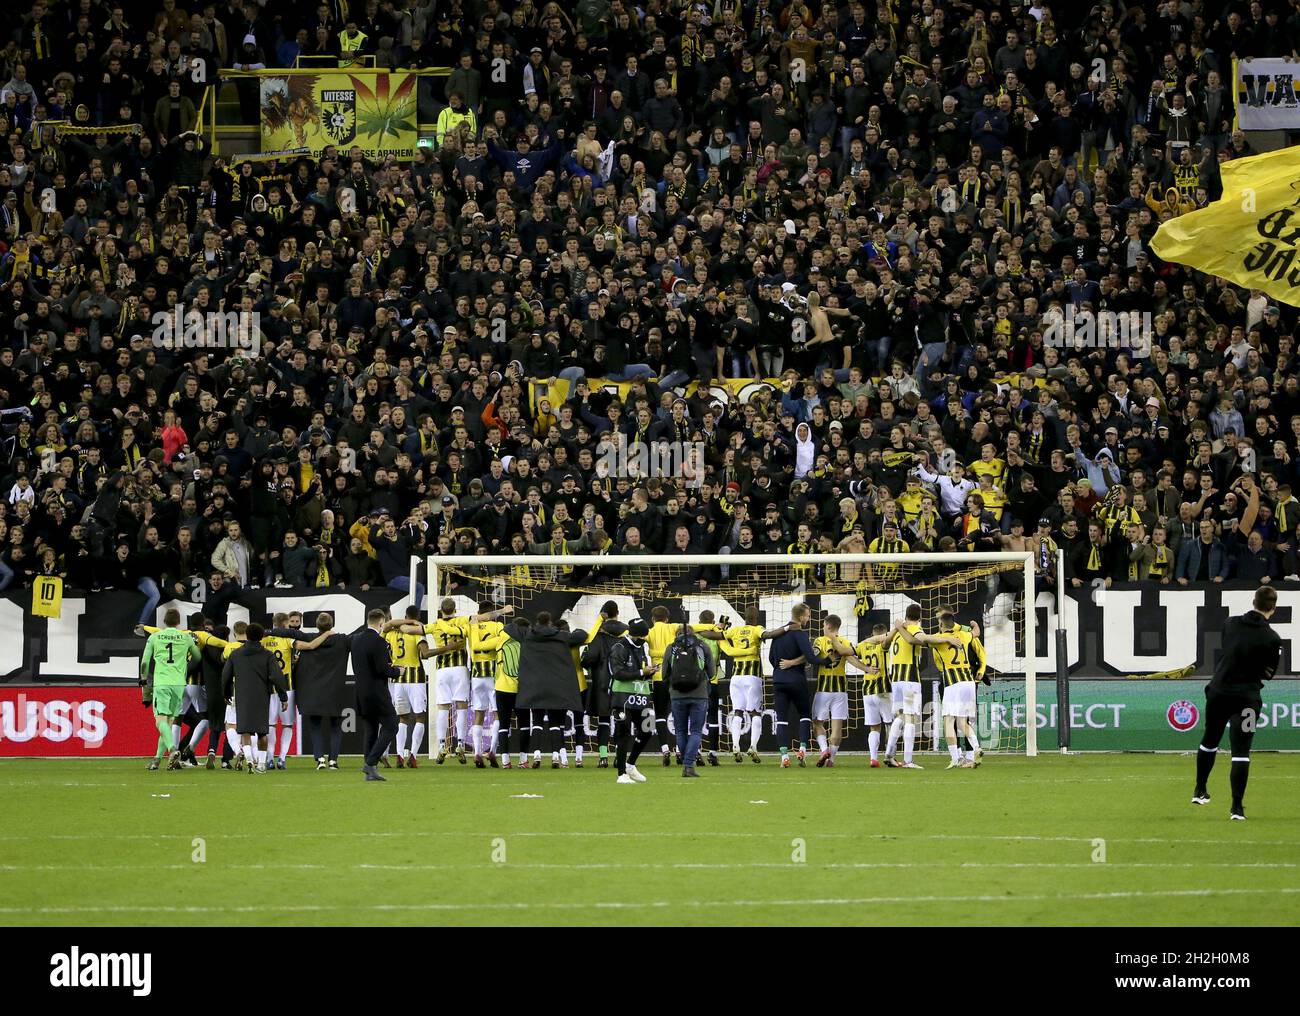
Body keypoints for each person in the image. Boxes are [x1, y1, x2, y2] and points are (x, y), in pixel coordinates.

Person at [1194, 585, 1282, 820]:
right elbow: (1268, 673)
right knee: (1241, 752)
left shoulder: (1230, 623)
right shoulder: (1272, 638)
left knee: (1210, 740)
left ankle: (1200, 790)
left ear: (1254, 601)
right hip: (1247, 699)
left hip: (1219, 692)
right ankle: (1236, 807)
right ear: (1273, 608)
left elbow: (1228, 649)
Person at [884, 604, 963, 769]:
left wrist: (897, 628)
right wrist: (947, 638)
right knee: (911, 718)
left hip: (896, 680)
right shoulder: (913, 629)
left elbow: (884, 645)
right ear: (920, 618)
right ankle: (908, 760)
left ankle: (888, 754)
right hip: (909, 679)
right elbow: (923, 639)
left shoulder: (899, 631)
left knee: (900, 717)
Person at [509, 611, 589, 768]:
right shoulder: (561, 636)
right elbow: (582, 635)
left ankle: (537, 755)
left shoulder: (527, 635)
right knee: (555, 722)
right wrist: (562, 632)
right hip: (556, 686)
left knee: (537, 721)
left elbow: (509, 628)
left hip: (534, 686)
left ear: (537, 622)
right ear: (550, 622)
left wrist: (529, 628)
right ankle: (555, 757)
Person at [766, 603, 829, 768]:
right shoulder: (800, 634)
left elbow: (771, 658)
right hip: (796, 680)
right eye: (808, 615)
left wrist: (781, 667)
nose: (808, 618)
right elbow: (811, 658)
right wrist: (827, 661)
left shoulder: (779, 633)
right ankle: (802, 750)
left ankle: (784, 757)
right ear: (801, 617)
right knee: (805, 715)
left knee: (781, 720)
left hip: (779, 680)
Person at [221, 622, 289, 775]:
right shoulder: (267, 655)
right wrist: (283, 696)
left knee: (244, 730)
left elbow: (225, 676)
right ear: (260, 637)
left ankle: (250, 759)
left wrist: (226, 694)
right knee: (262, 732)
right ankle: (262, 764)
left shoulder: (236, 654)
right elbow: (277, 677)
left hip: (242, 695)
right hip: (261, 696)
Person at [138, 608, 201, 771]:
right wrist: (185, 668)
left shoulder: (155, 637)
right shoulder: (185, 637)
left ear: (164, 621)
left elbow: (145, 662)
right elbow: (198, 657)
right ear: (178, 622)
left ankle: (173, 749)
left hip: (162, 683)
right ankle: (157, 760)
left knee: (160, 722)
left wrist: (144, 680)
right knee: (169, 722)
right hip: (179, 684)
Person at [294, 612, 355, 771]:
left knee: (315, 725)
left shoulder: (308, 639)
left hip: (313, 690)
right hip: (335, 690)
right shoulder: (342, 640)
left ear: (316, 625)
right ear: (332, 624)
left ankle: (320, 758)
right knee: (335, 726)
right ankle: (333, 760)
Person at [932, 612, 988, 770]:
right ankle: (977, 748)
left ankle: (955, 758)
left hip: (953, 683)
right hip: (969, 682)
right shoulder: (964, 635)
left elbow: (922, 639)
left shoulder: (938, 639)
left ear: (942, 625)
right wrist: (975, 625)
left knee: (949, 721)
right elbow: (976, 633)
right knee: (963, 722)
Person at [353, 608, 400, 782]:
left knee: (371, 729)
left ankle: (369, 768)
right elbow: (383, 669)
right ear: (381, 623)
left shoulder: (356, 640)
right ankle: (371, 762)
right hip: (377, 693)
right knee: (392, 724)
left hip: (360, 693)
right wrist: (397, 671)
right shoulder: (379, 641)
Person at [664, 623, 716, 777]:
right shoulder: (702, 646)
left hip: (677, 694)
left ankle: (686, 764)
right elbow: (712, 673)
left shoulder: (671, 648)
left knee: (680, 731)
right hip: (699, 694)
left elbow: (665, 674)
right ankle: (689, 765)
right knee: (695, 731)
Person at [608, 618, 656, 784]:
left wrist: (650, 671)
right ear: (635, 635)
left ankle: (630, 765)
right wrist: (641, 672)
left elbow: (641, 671)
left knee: (648, 728)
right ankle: (621, 774)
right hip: (622, 697)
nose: (644, 639)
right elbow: (617, 673)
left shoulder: (642, 647)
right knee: (624, 733)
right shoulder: (619, 647)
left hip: (641, 696)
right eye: (642, 636)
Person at [720, 605, 769, 763]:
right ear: (756, 618)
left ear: (744, 617)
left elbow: (716, 636)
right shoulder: (757, 629)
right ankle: (753, 746)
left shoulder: (734, 631)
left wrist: (714, 628)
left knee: (737, 712)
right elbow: (768, 634)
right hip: (752, 676)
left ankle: (735, 745)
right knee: (755, 713)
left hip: (735, 677)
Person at [384, 606, 431, 768]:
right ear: (417, 617)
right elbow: (424, 653)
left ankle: (399, 755)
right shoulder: (416, 632)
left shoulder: (390, 633)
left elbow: (387, 627)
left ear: (405, 616)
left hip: (398, 679)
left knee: (402, 718)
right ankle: (413, 755)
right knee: (420, 716)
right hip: (415, 677)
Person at [811, 614, 856, 767]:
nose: (823, 627)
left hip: (823, 690)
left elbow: (814, 654)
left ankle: (824, 750)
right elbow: (851, 658)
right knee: (837, 727)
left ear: (828, 626)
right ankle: (831, 760)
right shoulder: (845, 642)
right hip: (840, 691)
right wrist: (866, 668)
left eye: (823, 625)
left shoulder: (819, 641)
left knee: (817, 723)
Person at [850, 624, 893, 767]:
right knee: (890, 724)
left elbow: (848, 655)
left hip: (867, 690)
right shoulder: (885, 644)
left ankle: (873, 758)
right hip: (884, 690)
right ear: (883, 634)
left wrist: (865, 668)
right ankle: (889, 756)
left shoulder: (863, 645)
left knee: (874, 727)